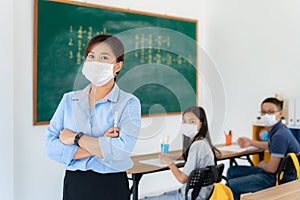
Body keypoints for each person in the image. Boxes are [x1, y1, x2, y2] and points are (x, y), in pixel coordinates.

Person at [45, 34, 141, 200]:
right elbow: (51, 146)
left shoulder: (128, 103)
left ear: (118, 66)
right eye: (91, 56)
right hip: (74, 183)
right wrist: (102, 143)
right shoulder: (69, 100)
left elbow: (120, 151)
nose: (96, 62)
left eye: (104, 57)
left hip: (110, 184)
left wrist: (76, 138)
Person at [226, 97, 300, 200]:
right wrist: (250, 142)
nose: (266, 116)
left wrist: (261, 164)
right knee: (232, 171)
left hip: (277, 178)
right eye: (263, 112)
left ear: (280, 114)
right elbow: (271, 146)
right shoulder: (279, 129)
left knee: (230, 185)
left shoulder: (279, 135)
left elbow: (271, 168)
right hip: (275, 173)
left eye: (271, 112)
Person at [141, 106, 221, 200]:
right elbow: (194, 158)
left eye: (192, 122)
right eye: (184, 121)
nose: (187, 125)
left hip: (191, 196)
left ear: (201, 124)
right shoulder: (203, 143)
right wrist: (173, 157)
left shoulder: (197, 146)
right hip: (200, 194)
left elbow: (182, 179)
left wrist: (169, 162)